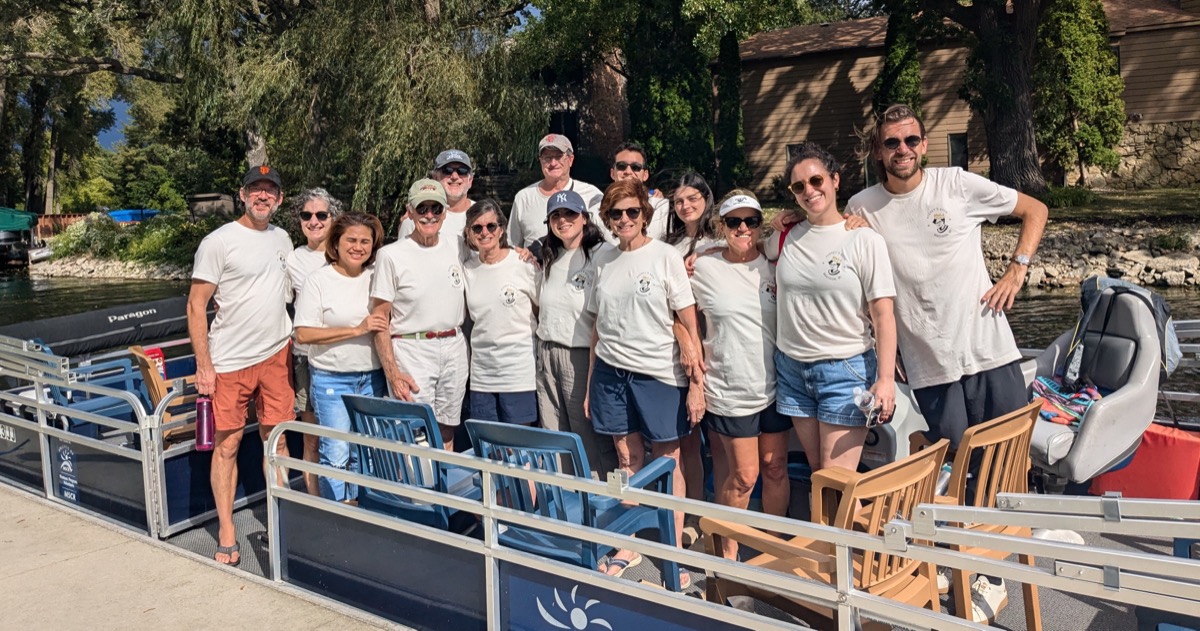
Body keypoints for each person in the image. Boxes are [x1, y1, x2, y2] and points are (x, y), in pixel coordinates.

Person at [845, 104, 1047, 623]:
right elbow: (831, 241)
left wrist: (1016, 273)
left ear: (924, 143)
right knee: (960, 463)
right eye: (892, 143)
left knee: (1005, 464)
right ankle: (970, 562)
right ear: (877, 151)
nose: (903, 151)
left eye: (912, 141)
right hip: (928, 363)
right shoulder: (862, 206)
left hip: (987, 350)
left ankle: (998, 571)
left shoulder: (957, 184)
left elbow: (1035, 210)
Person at [585, 179, 703, 586]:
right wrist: (589, 387)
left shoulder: (665, 256)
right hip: (610, 374)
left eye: (632, 212)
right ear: (607, 219)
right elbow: (597, 327)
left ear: (645, 214)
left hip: (658, 375)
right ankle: (629, 542)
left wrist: (696, 384)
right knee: (626, 460)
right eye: (616, 214)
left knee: (668, 462)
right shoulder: (601, 258)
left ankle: (672, 550)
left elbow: (688, 320)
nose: (624, 220)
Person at [187, 165, 295, 566]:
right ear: (242, 193)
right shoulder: (218, 242)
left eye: (270, 190)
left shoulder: (284, 238)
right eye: (256, 189)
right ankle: (227, 531)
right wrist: (204, 365)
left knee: (278, 441)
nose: (263, 196)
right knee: (227, 445)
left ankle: (280, 520)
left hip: (277, 355)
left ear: (280, 199)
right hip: (230, 361)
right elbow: (197, 305)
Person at [775, 142, 898, 479]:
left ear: (835, 180)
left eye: (816, 181)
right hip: (791, 369)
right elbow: (744, 247)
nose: (809, 191)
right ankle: (827, 533)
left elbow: (884, 315)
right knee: (818, 474)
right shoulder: (786, 235)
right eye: (799, 187)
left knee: (836, 481)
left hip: (844, 371)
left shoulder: (863, 240)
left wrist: (886, 380)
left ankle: (863, 533)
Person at [689, 190, 789, 559]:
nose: (743, 228)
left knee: (775, 467)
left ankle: (774, 549)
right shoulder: (701, 265)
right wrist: (688, 346)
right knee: (744, 475)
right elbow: (676, 310)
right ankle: (726, 555)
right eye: (734, 221)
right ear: (720, 226)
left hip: (778, 385)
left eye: (751, 221)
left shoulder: (776, 262)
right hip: (730, 388)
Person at [293, 213, 388, 502]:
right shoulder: (318, 280)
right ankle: (335, 520)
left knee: (366, 453)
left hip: (371, 378)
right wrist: (357, 329)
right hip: (332, 379)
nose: (358, 247)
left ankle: (364, 513)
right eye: (351, 240)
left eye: (365, 241)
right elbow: (303, 334)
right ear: (336, 242)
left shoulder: (376, 278)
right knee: (335, 453)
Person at [370, 179, 466, 450]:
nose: (429, 215)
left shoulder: (458, 245)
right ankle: (415, 492)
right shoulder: (390, 255)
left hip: (454, 345)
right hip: (412, 348)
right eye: (422, 208)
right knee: (415, 433)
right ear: (409, 211)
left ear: (445, 212)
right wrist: (393, 372)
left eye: (436, 208)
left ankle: (443, 489)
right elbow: (380, 320)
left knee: (447, 427)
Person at [536, 189, 618, 473]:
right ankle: (568, 499)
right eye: (555, 215)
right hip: (547, 351)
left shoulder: (602, 253)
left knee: (587, 434)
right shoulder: (549, 255)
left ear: (584, 218)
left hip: (581, 354)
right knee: (555, 431)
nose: (563, 220)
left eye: (570, 213)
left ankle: (598, 500)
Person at [286, 188, 343, 496]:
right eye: (307, 215)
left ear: (333, 218)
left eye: (322, 215)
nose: (315, 221)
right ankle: (314, 499)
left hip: (343, 358)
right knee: (312, 437)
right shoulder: (293, 260)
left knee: (343, 434)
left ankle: (346, 497)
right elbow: (280, 301)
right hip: (306, 358)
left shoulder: (347, 251)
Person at [462, 199, 540, 425]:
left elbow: (539, 309)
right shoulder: (467, 269)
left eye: (491, 226)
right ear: (469, 233)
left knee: (522, 448)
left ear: (502, 229)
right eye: (477, 228)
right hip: (482, 377)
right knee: (490, 448)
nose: (484, 232)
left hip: (518, 375)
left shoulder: (523, 263)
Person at [508, 134, 608, 251]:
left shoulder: (592, 195)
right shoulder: (524, 198)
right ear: (540, 161)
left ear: (570, 160)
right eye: (547, 158)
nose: (553, 163)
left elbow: (607, 238)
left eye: (559, 156)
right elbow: (512, 245)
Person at [398, 149, 475, 239]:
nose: (454, 176)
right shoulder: (417, 219)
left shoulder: (484, 217)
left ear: (470, 181)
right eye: (447, 170)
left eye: (462, 171)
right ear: (435, 178)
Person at [609, 141, 669, 240]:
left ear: (645, 175)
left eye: (635, 167)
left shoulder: (662, 208)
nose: (628, 172)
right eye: (621, 166)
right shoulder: (598, 210)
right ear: (612, 173)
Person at [663, 171, 723, 258]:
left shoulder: (722, 244)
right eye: (679, 202)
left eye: (692, 199)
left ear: (706, 199)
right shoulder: (667, 245)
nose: (685, 206)